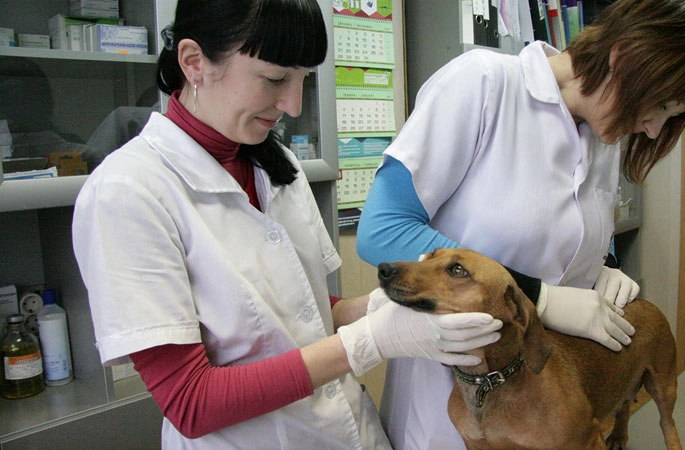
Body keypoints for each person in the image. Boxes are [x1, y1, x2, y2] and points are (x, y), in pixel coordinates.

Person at [71, 1, 502, 449]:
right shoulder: (129, 191)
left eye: (303, 79)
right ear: (194, 62)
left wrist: (375, 308)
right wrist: (367, 342)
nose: (292, 105)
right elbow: (191, 402)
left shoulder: (278, 165)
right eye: (275, 79)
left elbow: (305, 310)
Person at [355, 0, 685, 448]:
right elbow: (383, 229)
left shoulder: (603, 136)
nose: (652, 130)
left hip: (545, 404)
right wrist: (539, 298)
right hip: (450, 405)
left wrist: (603, 267)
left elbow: (565, 235)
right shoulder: (484, 83)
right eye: (662, 105)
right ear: (623, 55)